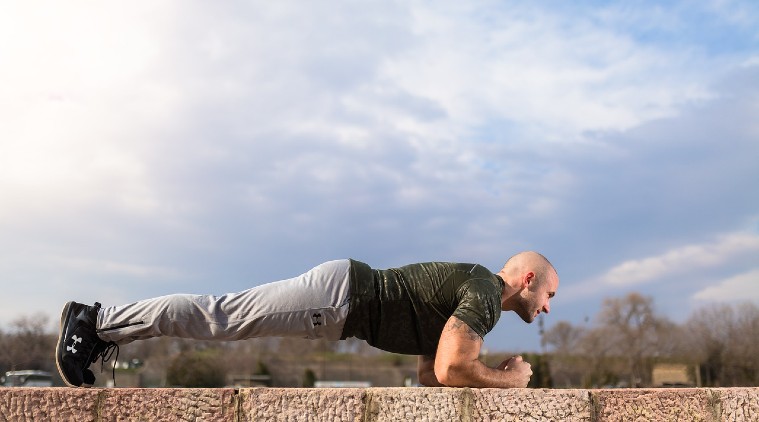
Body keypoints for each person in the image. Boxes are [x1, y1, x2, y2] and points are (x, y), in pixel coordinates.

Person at [56, 251, 558, 388]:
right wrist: (509, 380)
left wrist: (480, 370)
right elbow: (452, 370)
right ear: (528, 278)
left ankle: (99, 323)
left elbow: (432, 373)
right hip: (341, 298)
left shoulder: (473, 295)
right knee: (221, 316)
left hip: (342, 298)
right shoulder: (486, 293)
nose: (549, 308)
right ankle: (96, 321)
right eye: (550, 294)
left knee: (222, 315)